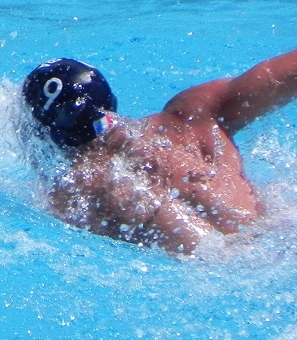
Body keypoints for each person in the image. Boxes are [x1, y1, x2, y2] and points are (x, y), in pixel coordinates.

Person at [22, 54, 297, 256]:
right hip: (281, 234)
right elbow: (283, 73)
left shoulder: (72, 194)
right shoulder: (192, 114)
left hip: (231, 268)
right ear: (110, 99)